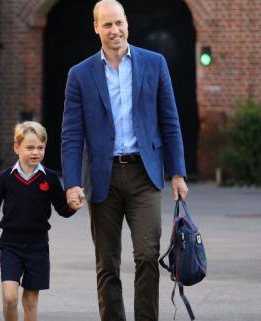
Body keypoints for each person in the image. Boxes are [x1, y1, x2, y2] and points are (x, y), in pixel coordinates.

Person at [61, 1, 189, 320]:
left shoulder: (154, 63)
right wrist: (72, 182)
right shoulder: (80, 75)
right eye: (107, 25)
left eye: (119, 23)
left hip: (144, 175)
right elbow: (72, 135)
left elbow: (169, 120)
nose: (115, 30)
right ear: (96, 28)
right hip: (102, 177)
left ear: (127, 24)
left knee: (147, 254)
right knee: (107, 262)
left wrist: (177, 173)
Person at [0, 121, 81, 321]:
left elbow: (62, 209)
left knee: (31, 301)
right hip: (10, 246)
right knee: (9, 298)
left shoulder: (49, 178)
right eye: (30, 147)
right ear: (17, 148)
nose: (35, 152)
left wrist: (72, 206)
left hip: (38, 246)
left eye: (40, 148)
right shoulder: (6, 177)